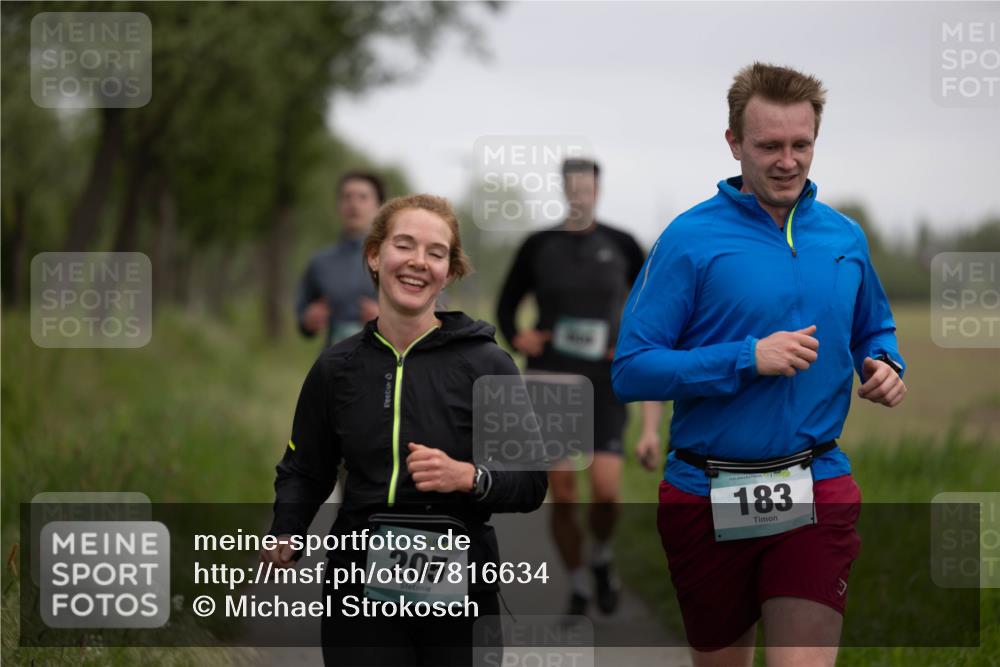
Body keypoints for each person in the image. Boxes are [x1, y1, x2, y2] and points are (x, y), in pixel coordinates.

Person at [612, 63, 907, 667]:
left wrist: (882, 362)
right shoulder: (689, 239)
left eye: (802, 145)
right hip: (706, 491)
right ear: (734, 143)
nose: (788, 161)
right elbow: (632, 369)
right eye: (769, 145)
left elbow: (873, 325)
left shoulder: (845, 237)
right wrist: (747, 358)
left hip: (816, 483)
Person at [263, 194, 547, 666]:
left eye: (436, 253)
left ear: (450, 272)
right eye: (404, 245)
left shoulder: (486, 364)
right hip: (359, 577)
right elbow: (306, 467)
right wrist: (286, 529)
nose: (419, 262)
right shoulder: (337, 367)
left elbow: (531, 480)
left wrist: (469, 477)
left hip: (460, 581)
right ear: (374, 256)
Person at [496, 158, 663, 617]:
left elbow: (654, 310)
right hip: (550, 377)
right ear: (564, 190)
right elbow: (508, 302)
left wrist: (631, 345)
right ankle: (576, 584)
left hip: (605, 380)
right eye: (572, 186)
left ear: (598, 189)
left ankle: (602, 558)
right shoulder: (539, 245)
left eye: (587, 185)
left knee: (606, 490)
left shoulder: (623, 244)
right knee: (564, 490)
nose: (580, 193)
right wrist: (517, 335)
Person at [296, 171, 384, 347]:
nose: (353, 204)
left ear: (380, 206)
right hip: (333, 364)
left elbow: (430, 312)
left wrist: (387, 320)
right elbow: (303, 316)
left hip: (384, 365)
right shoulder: (320, 263)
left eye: (363, 197)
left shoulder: (396, 260)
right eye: (347, 197)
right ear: (338, 206)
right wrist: (308, 320)